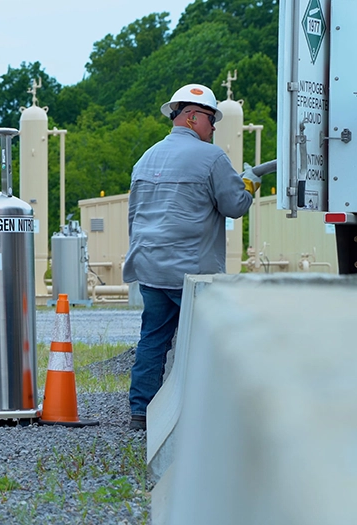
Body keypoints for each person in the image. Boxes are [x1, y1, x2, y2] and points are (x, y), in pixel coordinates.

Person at [122, 83, 260, 431]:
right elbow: (234, 206)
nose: (214, 127)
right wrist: (250, 183)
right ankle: (208, 415)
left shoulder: (146, 158)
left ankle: (142, 411)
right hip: (191, 271)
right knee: (206, 341)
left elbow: (134, 215)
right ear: (193, 117)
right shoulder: (211, 157)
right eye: (211, 119)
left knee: (153, 338)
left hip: (150, 267)